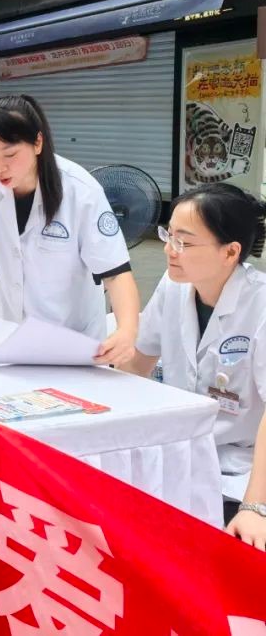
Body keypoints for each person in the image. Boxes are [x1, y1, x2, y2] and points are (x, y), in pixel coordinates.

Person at [120, 184, 266, 545]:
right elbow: (137, 363)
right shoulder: (173, 287)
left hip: (243, 469)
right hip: (179, 452)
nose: (169, 250)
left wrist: (254, 507)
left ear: (230, 252)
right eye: (168, 234)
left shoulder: (260, 306)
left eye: (184, 242)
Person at [0, 95, 140, 365]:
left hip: (70, 338)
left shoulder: (81, 191)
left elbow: (116, 272)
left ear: (38, 142)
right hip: (7, 329)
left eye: (10, 154)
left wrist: (127, 330)